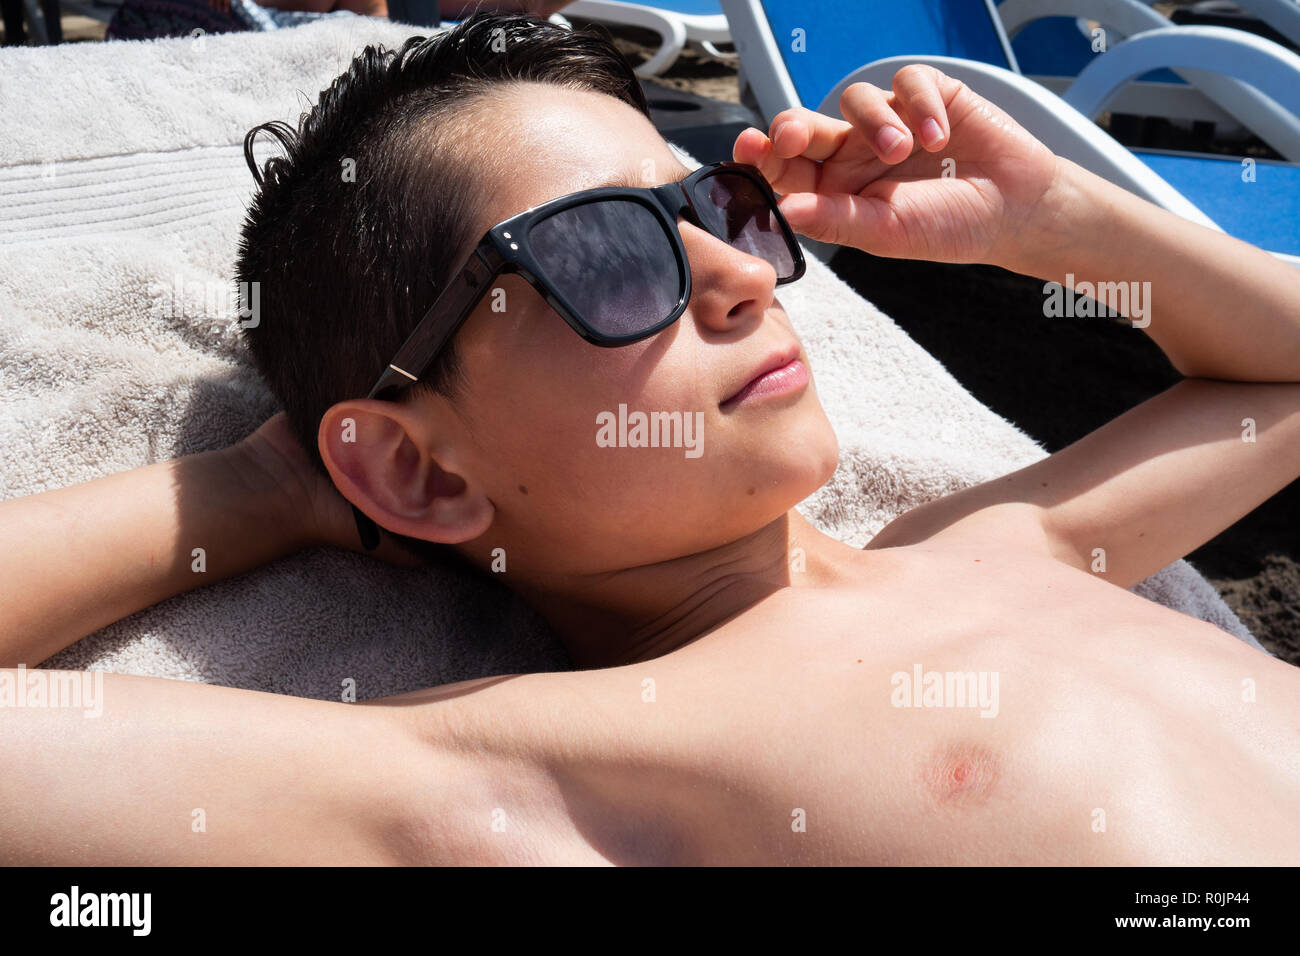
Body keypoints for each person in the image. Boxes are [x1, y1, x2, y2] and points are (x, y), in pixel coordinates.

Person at [3, 13, 1298, 865]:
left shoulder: (1000, 542)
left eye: (718, 207)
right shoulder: (544, 769)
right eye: (609, 256)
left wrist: (1066, 223)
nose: (740, 279)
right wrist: (261, 488)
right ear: (415, 466)